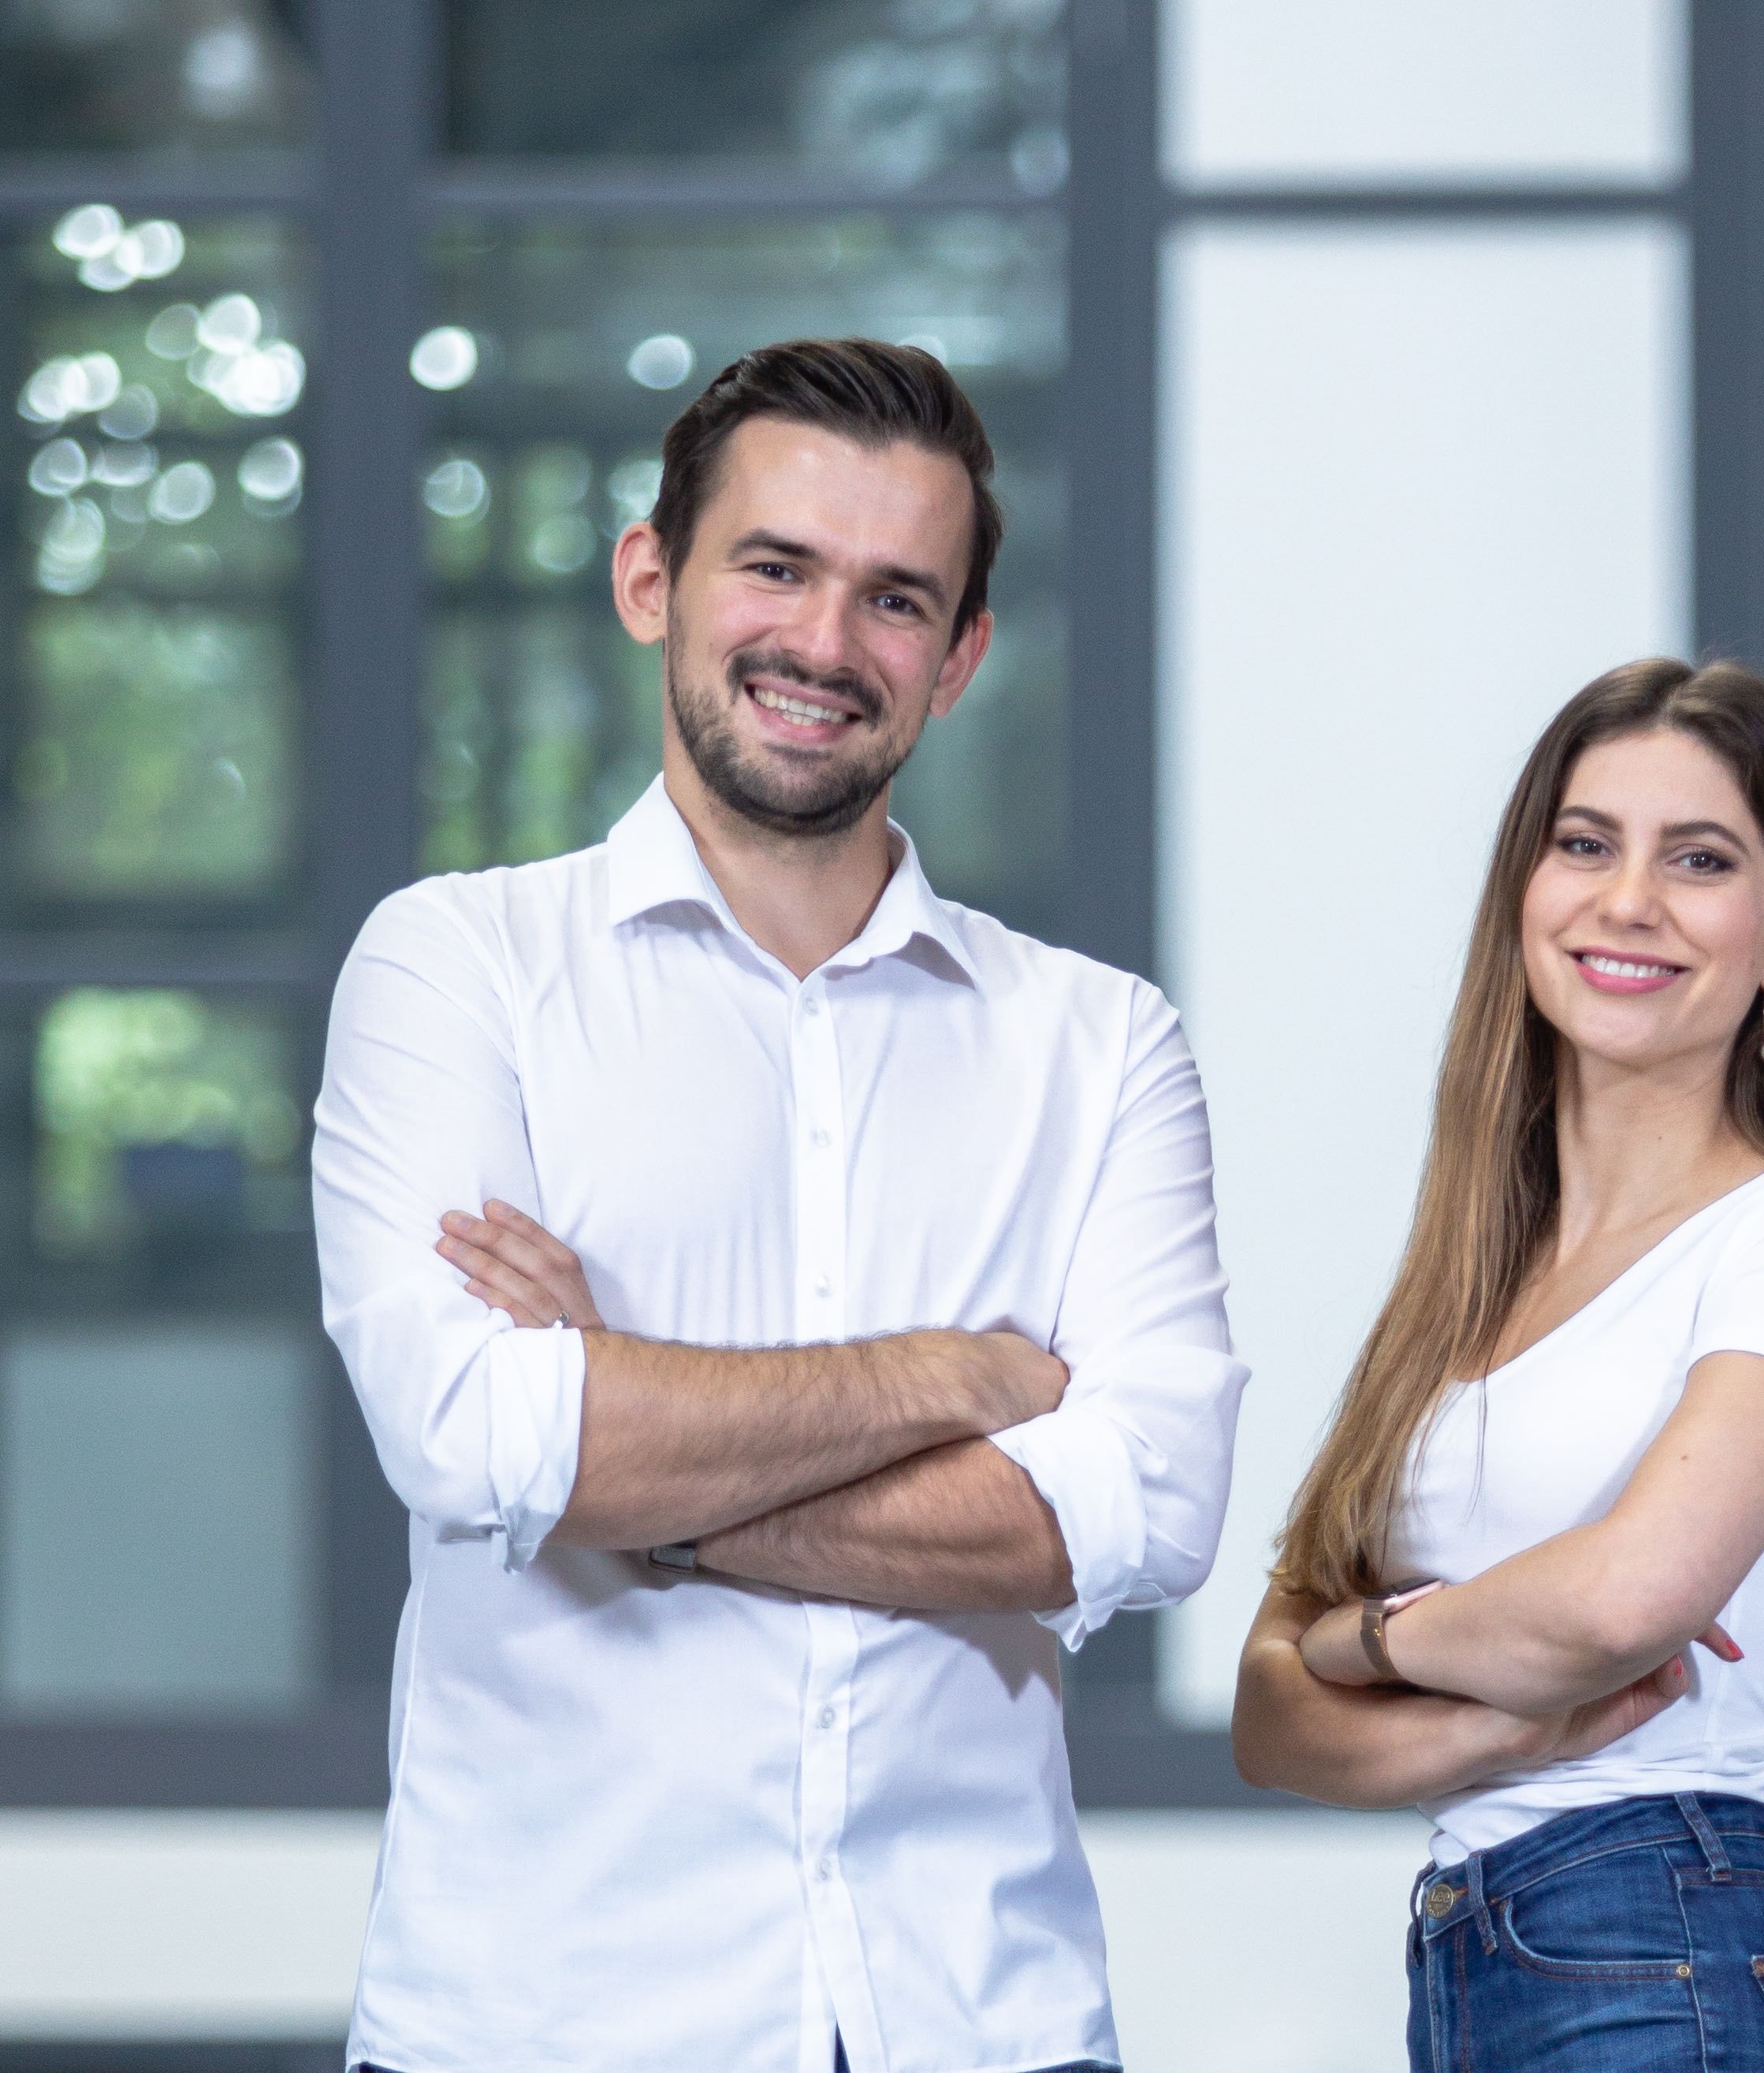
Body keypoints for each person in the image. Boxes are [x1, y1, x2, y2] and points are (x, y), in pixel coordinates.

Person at [311, 337, 1246, 2073]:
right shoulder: (460, 970)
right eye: (777, 567)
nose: (825, 645)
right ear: (650, 579)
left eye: (898, 600)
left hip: (980, 2019)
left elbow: (1143, 1506)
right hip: (543, 2020)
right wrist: (957, 1376)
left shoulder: (1097, 1043)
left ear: (960, 657)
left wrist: (637, 1440)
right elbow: (476, 1435)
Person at [1230, 659, 1764, 2073]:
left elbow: (1622, 1602)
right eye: (1585, 843)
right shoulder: (1467, 1283)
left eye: (1700, 859)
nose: (1627, 901)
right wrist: (1506, 1732)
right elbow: (1265, 1717)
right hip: (1484, 1963)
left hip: (1667, 1942)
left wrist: (1373, 1641)